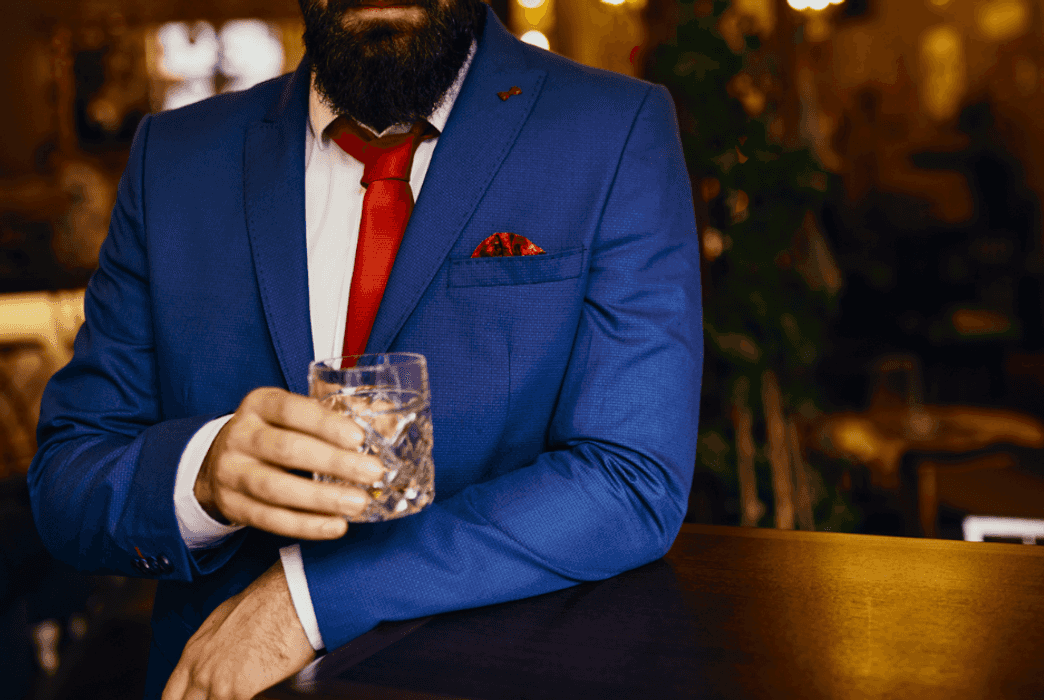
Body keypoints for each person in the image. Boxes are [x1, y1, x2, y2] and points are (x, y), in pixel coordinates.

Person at [27, 0, 702, 697]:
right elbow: (67, 481)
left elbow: (630, 477)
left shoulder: (613, 130)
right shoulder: (172, 159)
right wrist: (204, 475)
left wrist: (304, 600)